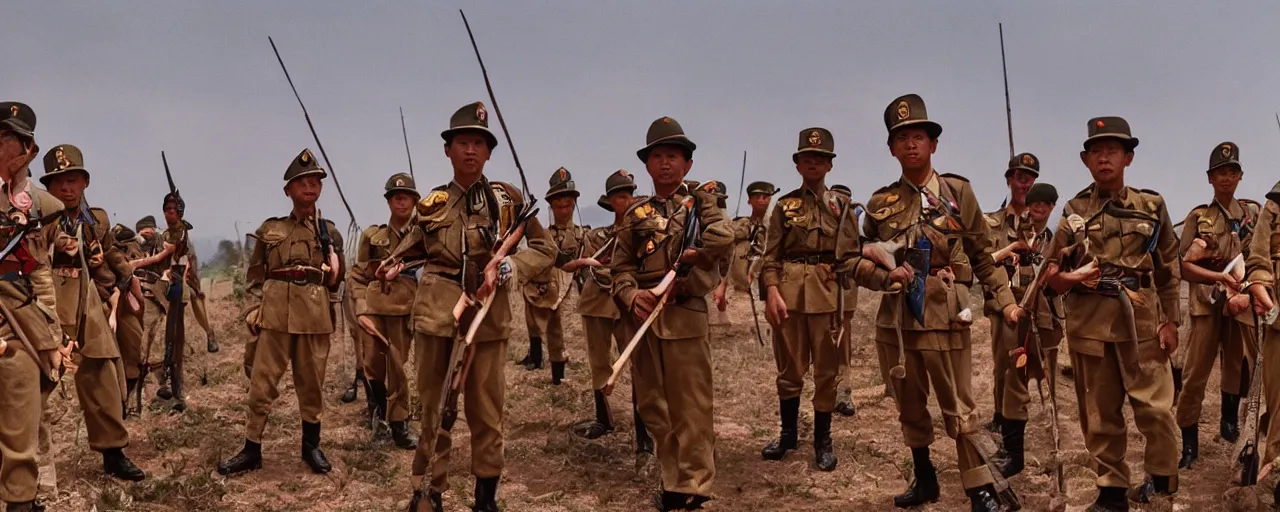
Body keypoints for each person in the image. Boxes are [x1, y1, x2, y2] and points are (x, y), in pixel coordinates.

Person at [378, 102, 555, 512]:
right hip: (437, 316)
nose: (470, 150)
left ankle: (485, 498)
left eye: (478, 143)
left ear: (490, 151)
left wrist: (512, 263)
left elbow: (546, 249)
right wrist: (393, 266)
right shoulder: (431, 204)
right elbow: (411, 250)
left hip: (488, 318)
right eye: (462, 142)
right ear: (448, 150)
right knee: (434, 408)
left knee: (486, 411)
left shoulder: (509, 201)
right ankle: (429, 491)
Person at [849, 94, 1019, 510]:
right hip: (897, 320)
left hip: (946, 317)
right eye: (902, 138)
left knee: (959, 408)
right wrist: (883, 274)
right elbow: (852, 258)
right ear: (891, 148)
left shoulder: (956, 192)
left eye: (919, 136)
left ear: (933, 144)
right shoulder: (879, 203)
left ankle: (979, 489)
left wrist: (1006, 301)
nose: (911, 144)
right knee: (909, 406)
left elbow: (981, 254)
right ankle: (925, 480)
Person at [1044, 116, 1181, 509]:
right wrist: (1073, 277)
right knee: (1099, 415)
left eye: (1113, 151)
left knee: (1155, 411)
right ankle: (1112, 490)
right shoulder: (1073, 211)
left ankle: (1161, 482)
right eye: (1097, 152)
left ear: (1128, 158)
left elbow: (1169, 268)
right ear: (1086, 160)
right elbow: (1051, 276)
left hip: (1142, 325)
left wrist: (1171, 321)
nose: (1105, 159)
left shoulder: (1151, 207)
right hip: (1090, 325)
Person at [612, 116, 733, 510]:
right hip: (643, 323)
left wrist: (695, 262)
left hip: (684, 315)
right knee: (653, 405)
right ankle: (673, 479)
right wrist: (631, 297)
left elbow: (722, 243)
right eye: (658, 156)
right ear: (647, 165)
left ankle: (696, 486)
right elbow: (620, 269)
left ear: (687, 164)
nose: (665, 163)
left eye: (674, 156)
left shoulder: (701, 204)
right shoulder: (635, 215)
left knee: (692, 406)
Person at [218, 148, 345, 477]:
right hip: (274, 315)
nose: (309, 188)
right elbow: (255, 275)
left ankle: (311, 447)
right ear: (288, 190)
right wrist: (253, 308)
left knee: (312, 383)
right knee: (261, 383)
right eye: (302, 182)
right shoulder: (270, 229)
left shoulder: (329, 232)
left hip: (314, 316)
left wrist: (334, 265)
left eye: (315, 182)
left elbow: (336, 280)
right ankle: (251, 449)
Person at [41, 144, 147, 482]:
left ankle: (113, 452)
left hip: (87, 299)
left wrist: (127, 278)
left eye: (73, 180)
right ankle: (26, 462)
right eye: (59, 183)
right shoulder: (38, 218)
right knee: (37, 376)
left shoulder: (95, 218)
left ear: (85, 182)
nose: (66, 188)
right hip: (48, 299)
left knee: (103, 373)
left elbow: (111, 252)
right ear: (49, 187)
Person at [760, 127, 855, 472]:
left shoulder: (842, 207)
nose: (813, 162)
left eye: (820, 157)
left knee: (827, 372)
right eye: (806, 157)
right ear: (797, 163)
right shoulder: (783, 206)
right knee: (789, 369)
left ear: (830, 165)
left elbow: (851, 256)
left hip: (827, 295)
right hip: (788, 296)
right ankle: (788, 435)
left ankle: (823, 441)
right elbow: (770, 255)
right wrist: (771, 290)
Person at [0, 102, 77, 512]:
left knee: (21, 429)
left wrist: (51, 336)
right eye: (4, 139)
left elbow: (41, 273)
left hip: (20, 325)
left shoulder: (43, 208)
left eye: (15, 141)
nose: (9, 148)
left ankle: (22, 502)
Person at [1175, 142, 1259, 468]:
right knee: (1195, 373)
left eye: (1232, 172)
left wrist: (1245, 291)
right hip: (1206, 304)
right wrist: (1217, 278)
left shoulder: (1251, 215)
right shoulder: (1199, 217)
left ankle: (1229, 423)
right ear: (1210, 178)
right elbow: (1183, 266)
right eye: (1220, 172)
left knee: (1240, 367)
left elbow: (1258, 260)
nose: (1227, 178)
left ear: (1240, 176)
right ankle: (1189, 446)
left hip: (1239, 302)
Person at [567, 170, 655, 471]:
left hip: (629, 304)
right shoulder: (598, 237)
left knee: (639, 366)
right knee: (598, 363)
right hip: (597, 302)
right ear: (610, 201)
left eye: (629, 194)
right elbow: (588, 266)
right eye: (619, 195)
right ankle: (603, 419)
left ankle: (645, 438)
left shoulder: (645, 233)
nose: (625, 200)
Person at [981, 153, 1062, 477]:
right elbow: (981, 263)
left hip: (1039, 309)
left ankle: (1027, 432)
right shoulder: (993, 223)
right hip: (1006, 309)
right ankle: (1013, 451)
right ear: (1009, 178)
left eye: (1030, 177)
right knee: (1009, 372)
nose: (1024, 182)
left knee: (1037, 374)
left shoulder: (1041, 225)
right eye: (1019, 176)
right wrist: (1005, 253)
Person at [351, 172, 421, 450]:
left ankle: (399, 423)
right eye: (395, 197)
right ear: (388, 201)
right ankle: (379, 411)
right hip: (375, 311)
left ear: (415, 201)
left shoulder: (423, 236)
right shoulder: (373, 236)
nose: (400, 202)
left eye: (405, 197)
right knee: (373, 366)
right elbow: (359, 276)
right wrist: (361, 310)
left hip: (405, 311)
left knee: (397, 366)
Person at [516, 167, 583, 384]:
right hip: (543, 284)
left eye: (567, 200)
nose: (563, 204)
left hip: (567, 289)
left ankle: (558, 375)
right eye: (558, 201)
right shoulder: (544, 234)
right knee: (532, 318)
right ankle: (535, 356)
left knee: (557, 331)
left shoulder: (583, 235)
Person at [1241, 181, 1280, 506]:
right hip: (1278, 317)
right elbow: (1258, 257)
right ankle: (1276, 478)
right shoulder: (1275, 204)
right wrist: (1261, 287)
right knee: (1278, 405)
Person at [828, 183, 863, 415]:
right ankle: (828, 391)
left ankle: (843, 391)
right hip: (822, 289)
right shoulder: (822, 216)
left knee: (843, 342)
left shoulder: (855, 219)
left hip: (845, 289)